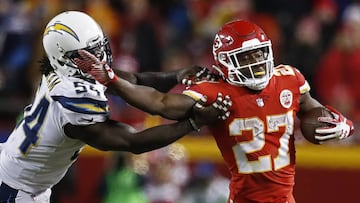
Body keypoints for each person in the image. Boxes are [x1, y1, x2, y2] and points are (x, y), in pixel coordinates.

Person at [76, 19, 355, 203]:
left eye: (259, 54)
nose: (256, 63)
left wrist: (336, 121)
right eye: (245, 58)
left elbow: (311, 111)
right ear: (224, 62)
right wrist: (112, 80)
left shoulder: (289, 77)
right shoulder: (216, 91)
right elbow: (160, 103)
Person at [0, 11, 232, 203]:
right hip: (17, 188)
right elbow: (134, 142)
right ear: (66, 58)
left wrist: (177, 76)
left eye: (99, 47)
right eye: (90, 53)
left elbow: (132, 81)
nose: (99, 56)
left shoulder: (64, 69)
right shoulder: (72, 100)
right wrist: (193, 122)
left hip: (20, 171)